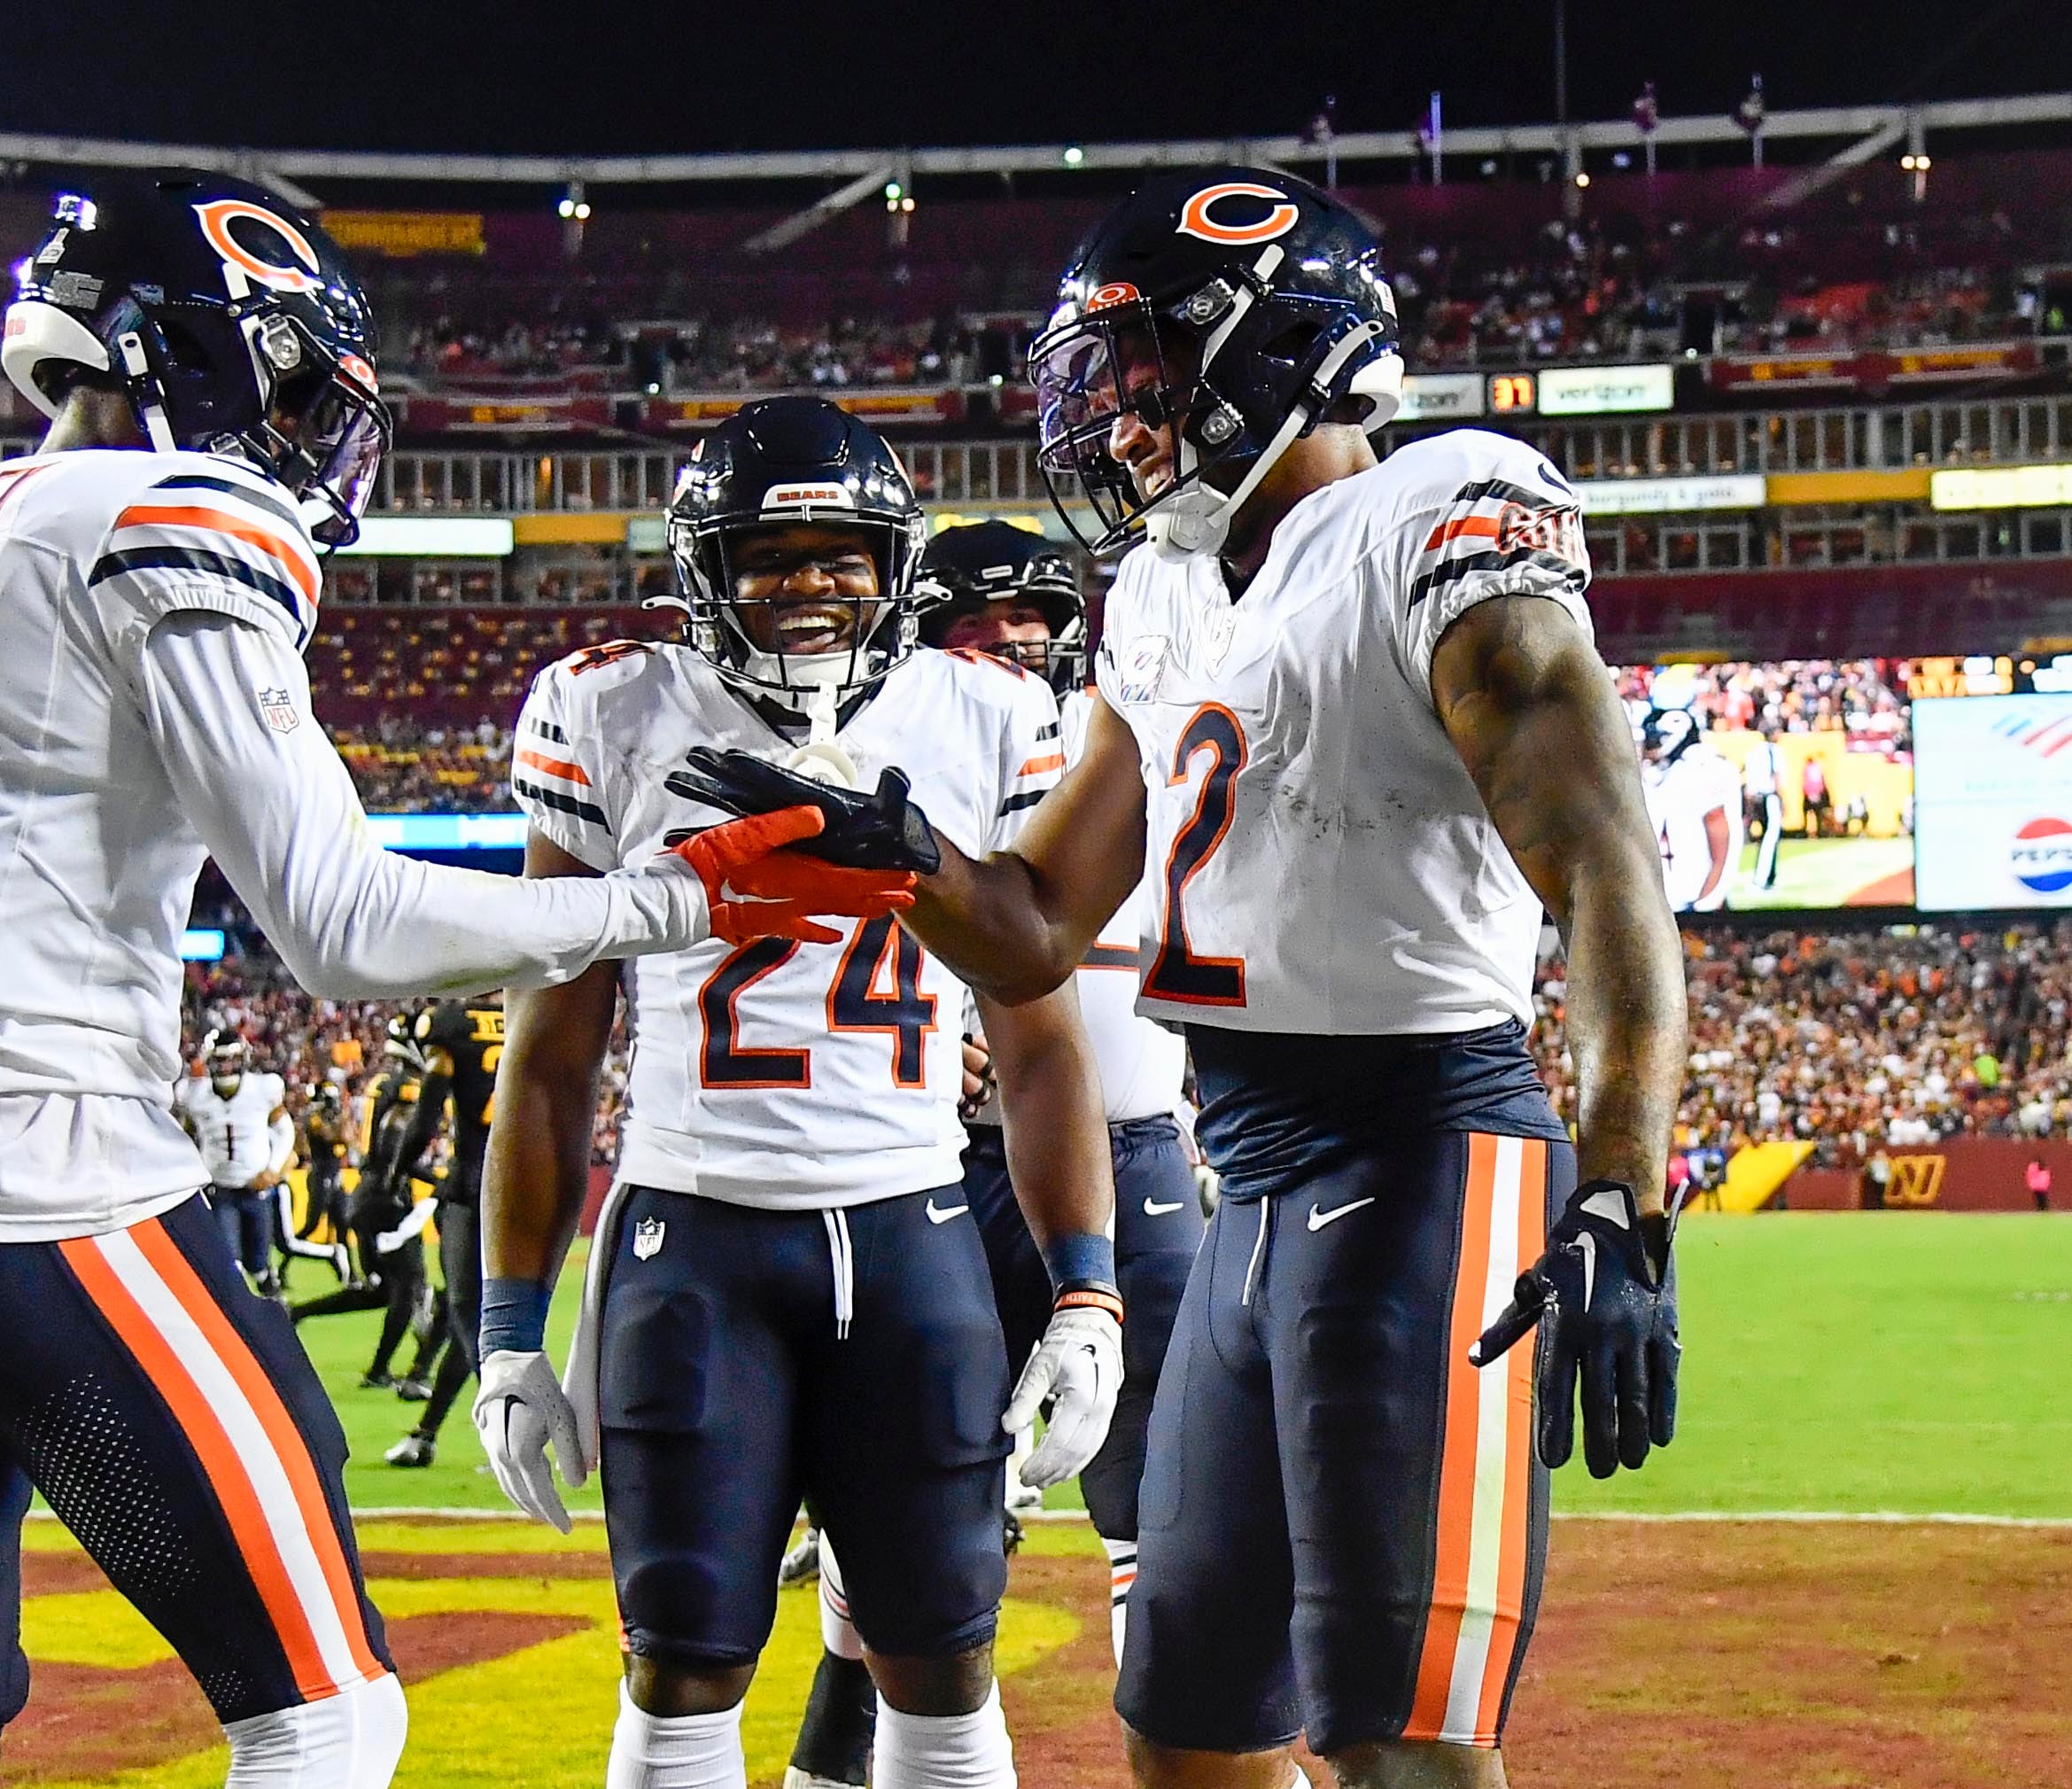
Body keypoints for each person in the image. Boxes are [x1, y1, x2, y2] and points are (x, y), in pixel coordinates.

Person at [0, 172, 904, 1789]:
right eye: (285, 381)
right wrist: (674, 895)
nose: (299, 429)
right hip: (33, 1185)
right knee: (324, 1709)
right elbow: (338, 925)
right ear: (185, 352)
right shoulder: (170, 518)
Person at [669, 170, 1691, 1789]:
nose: (1116, 428)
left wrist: (1624, 1193)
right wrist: (884, 848)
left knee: (1398, 1738)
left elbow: (1607, 873)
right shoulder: (1158, 589)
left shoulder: (1436, 513)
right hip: (1248, 1187)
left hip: (1429, 1147)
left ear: (1268, 344)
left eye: (1137, 380)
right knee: (1191, 1731)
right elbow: (1029, 927)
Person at [475, 395, 1123, 1789]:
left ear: (895, 566)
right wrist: (506, 1324)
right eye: (775, 554)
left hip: (908, 1226)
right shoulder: (606, 704)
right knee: (681, 1662)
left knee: (943, 1662)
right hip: (690, 1232)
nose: (812, 585)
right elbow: (548, 1046)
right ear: (706, 565)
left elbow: (1037, 1034)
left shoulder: (992, 708)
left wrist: (1084, 1290)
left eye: (843, 555)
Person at [780, 518, 1215, 1788]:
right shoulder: (884, 755)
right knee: (904, 1567)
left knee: (1174, 1534)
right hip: (942, 1173)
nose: (1020, 646)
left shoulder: (1123, 746)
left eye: (1037, 618)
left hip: (1127, 1161)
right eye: (988, 626)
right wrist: (920, 1036)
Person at [377, 993, 505, 1469]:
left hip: (476, 1183)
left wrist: (397, 1170)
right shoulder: (526, 1006)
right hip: (528, 1180)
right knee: (475, 1319)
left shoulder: (450, 1025)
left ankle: (510, 1433)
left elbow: (427, 1118)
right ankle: (425, 1434)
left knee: (466, 1312)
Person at [290, 1028, 443, 1396]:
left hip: (369, 1195)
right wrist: (434, 1177)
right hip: (386, 1198)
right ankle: (390, 1371)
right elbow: (392, 1144)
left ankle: (297, 1313)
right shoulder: (406, 1085)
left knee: (383, 1292)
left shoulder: (383, 1082)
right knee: (407, 1289)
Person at [173, 1030, 294, 1295]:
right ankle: (238, 1318)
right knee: (229, 1264)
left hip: (256, 1189)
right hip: (219, 1191)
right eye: (219, 1060)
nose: (226, 1066)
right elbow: (184, 1137)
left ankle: (275, 1308)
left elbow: (285, 1130)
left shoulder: (263, 1089)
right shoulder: (192, 1094)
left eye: (231, 1059)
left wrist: (273, 1169)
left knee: (259, 1264)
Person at [1642, 704, 1743, 913]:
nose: (1649, 747)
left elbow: (1723, 840)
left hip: (1692, 897)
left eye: (1656, 738)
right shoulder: (1662, 774)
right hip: (1666, 899)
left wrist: (1708, 900)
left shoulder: (1705, 769)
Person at [287, 1082, 357, 1280]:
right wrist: (343, 1120)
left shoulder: (330, 1117)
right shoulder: (314, 1117)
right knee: (312, 1225)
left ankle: (351, 1274)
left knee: (343, 1224)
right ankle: (285, 1262)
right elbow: (335, 1136)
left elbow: (350, 1139)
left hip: (336, 1175)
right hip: (320, 1176)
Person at [1742, 730, 1783, 892]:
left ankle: (1769, 877)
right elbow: (1777, 776)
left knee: (1767, 837)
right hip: (1769, 796)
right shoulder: (1773, 750)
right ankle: (1762, 878)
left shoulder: (1754, 751)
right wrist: (1782, 799)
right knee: (1771, 837)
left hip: (1757, 798)